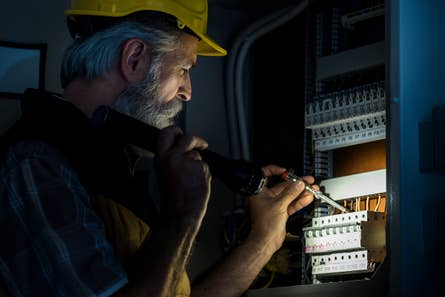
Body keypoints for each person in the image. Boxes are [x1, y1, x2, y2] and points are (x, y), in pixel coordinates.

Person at [0, 0, 316, 296]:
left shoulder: (109, 165)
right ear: (134, 57)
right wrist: (182, 213)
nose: (187, 92)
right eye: (184, 69)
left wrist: (263, 240)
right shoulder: (37, 163)